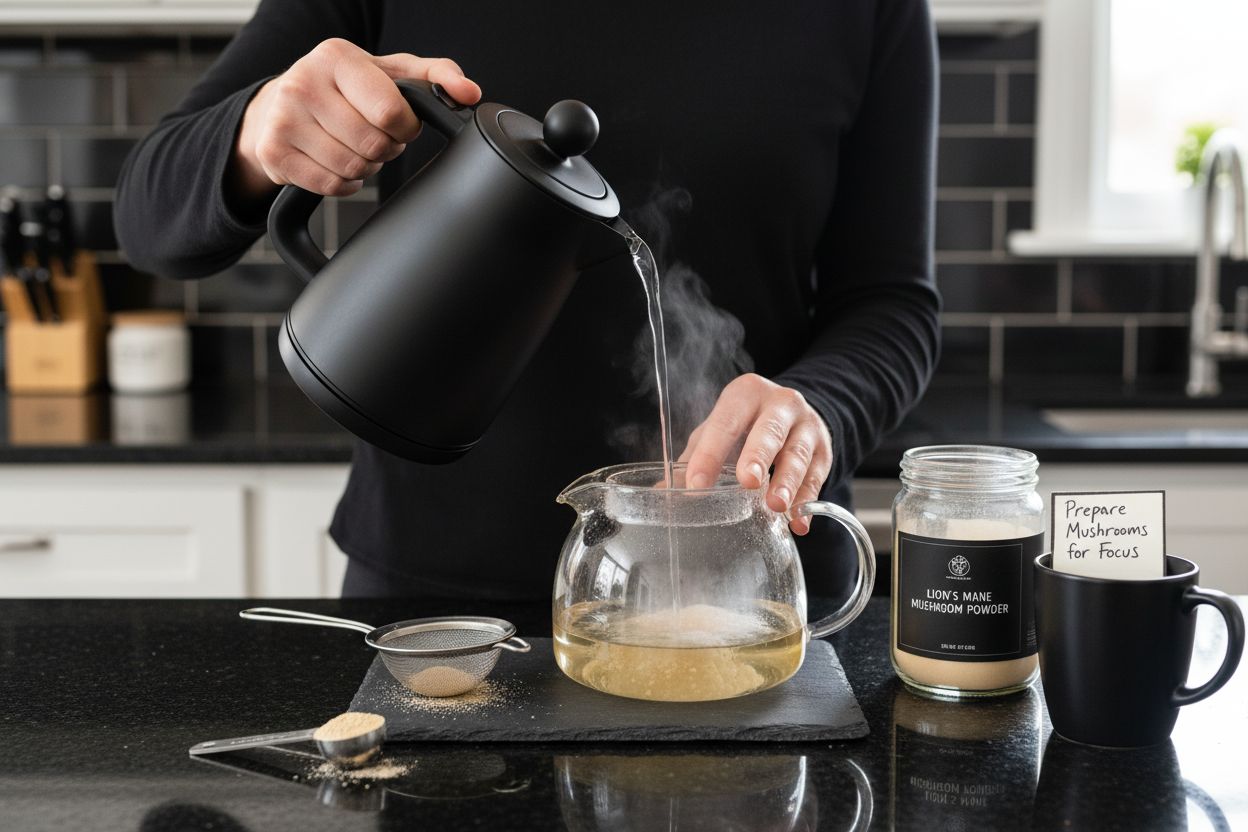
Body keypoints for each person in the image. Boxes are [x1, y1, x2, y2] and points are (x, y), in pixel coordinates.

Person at [115, 0, 940, 602]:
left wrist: (817, 407)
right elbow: (149, 218)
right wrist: (261, 132)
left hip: (746, 593)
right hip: (442, 610)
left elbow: (892, 303)